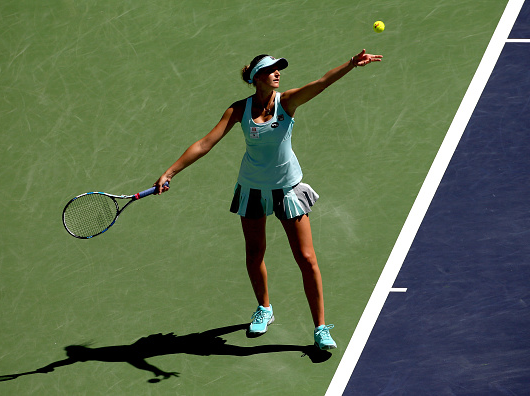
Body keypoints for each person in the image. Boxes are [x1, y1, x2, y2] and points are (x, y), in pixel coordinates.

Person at [154, 50, 382, 350]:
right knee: (254, 254)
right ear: (256, 78)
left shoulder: (287, 102)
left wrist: (351, 65)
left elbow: (322, 82)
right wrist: (170, 172)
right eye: (272, 70)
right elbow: (205, 143)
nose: (278, 73)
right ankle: (264, 308)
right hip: (253, 188)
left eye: (279, 69)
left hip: (287, 189)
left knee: (307, 259)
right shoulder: (239, 110)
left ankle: (321, 328)